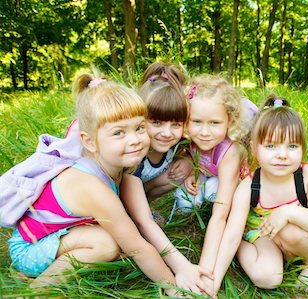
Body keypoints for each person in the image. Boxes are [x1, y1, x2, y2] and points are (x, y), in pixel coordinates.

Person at [6, 72, 211, 297]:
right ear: (89, 142)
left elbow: (141, 225)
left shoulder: (118, 167)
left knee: (125, 233)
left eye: (139, 128)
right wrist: (172, 285)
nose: (134, 139)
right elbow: (137, 247)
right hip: (29, 248)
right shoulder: (90, 185)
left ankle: (35, 273)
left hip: (58, 235)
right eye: (119, 132)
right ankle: (35, 290)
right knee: (108, 244)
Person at [211, 94, 308, 294]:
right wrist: (214, 282)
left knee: (292, 231)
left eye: (292, 146)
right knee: (267, 278)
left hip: (295, 234)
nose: (282, 154)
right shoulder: (249, 186)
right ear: (254, 149)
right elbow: (231, 234)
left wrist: (287, 212)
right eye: (271, 146)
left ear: (303, 148)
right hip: (263, 235)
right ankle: (243, 251)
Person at [171, 74, 250, 291]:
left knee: (214, 196)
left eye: (215, 123)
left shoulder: (230, 152)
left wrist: (204, 269)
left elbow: (220, 215)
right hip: (209, 178)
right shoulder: (192, 141)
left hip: (230, 192)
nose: (204, 132)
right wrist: (192, 171)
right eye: (196, 122)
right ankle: (185, 218)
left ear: (230, 122)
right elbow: (193, 157)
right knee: (187, 199)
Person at [134, 61, 192, 201]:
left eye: (176, 124)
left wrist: (188, 161)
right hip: (113, 202)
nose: (167, 133)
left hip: (141, 193)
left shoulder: (176, 146)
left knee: (176, 175)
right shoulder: (133, 151)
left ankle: (146, 208)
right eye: (156, 122)